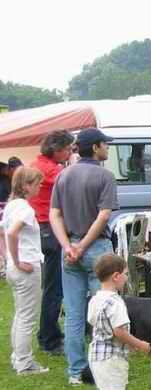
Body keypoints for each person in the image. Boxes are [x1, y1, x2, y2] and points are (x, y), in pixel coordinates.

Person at [50, 127, 119, 386]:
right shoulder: (105, 176)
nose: (108, 148)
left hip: (69, 250)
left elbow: (54, 214)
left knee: (74, 313)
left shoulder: (63, 175)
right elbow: (104, 215)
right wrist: (83, 246)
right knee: (104, 310)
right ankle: (104, 366)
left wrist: (69, 246)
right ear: (96, 147)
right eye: (105, 144)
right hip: (97, 249)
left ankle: (76, 371)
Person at [87, 253, 151, 390]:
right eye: (125, 274)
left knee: (117, 389)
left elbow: (94, 322)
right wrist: (139, 344)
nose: (126, 278)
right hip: (111, 356)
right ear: (116, 276)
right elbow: (119, 331)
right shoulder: (116, 303)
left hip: (97, 352)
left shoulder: (95, 299)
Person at [30, 130, 75, 356]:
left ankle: (48, 334)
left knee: (52, 286)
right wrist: (74, 163)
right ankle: (50, 338)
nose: (69, 153)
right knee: (54, 288)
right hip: (49, 229)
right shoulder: (50, 170)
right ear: (56, 149)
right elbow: (72, 181)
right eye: (67, 149)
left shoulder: (37, 163)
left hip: (43, 229)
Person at [3, 166, 49, 375]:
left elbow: (4, 231)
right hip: (26, 267)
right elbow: (12, 233)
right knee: (28, 317)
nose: (40, 187)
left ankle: (18, 356)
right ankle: (24, 362)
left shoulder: (11, 206)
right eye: (37, 184)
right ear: (26, 186)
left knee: (21, 314)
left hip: (14, 267)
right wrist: (18, 261)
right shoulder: (25, 209)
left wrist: (9, 259)